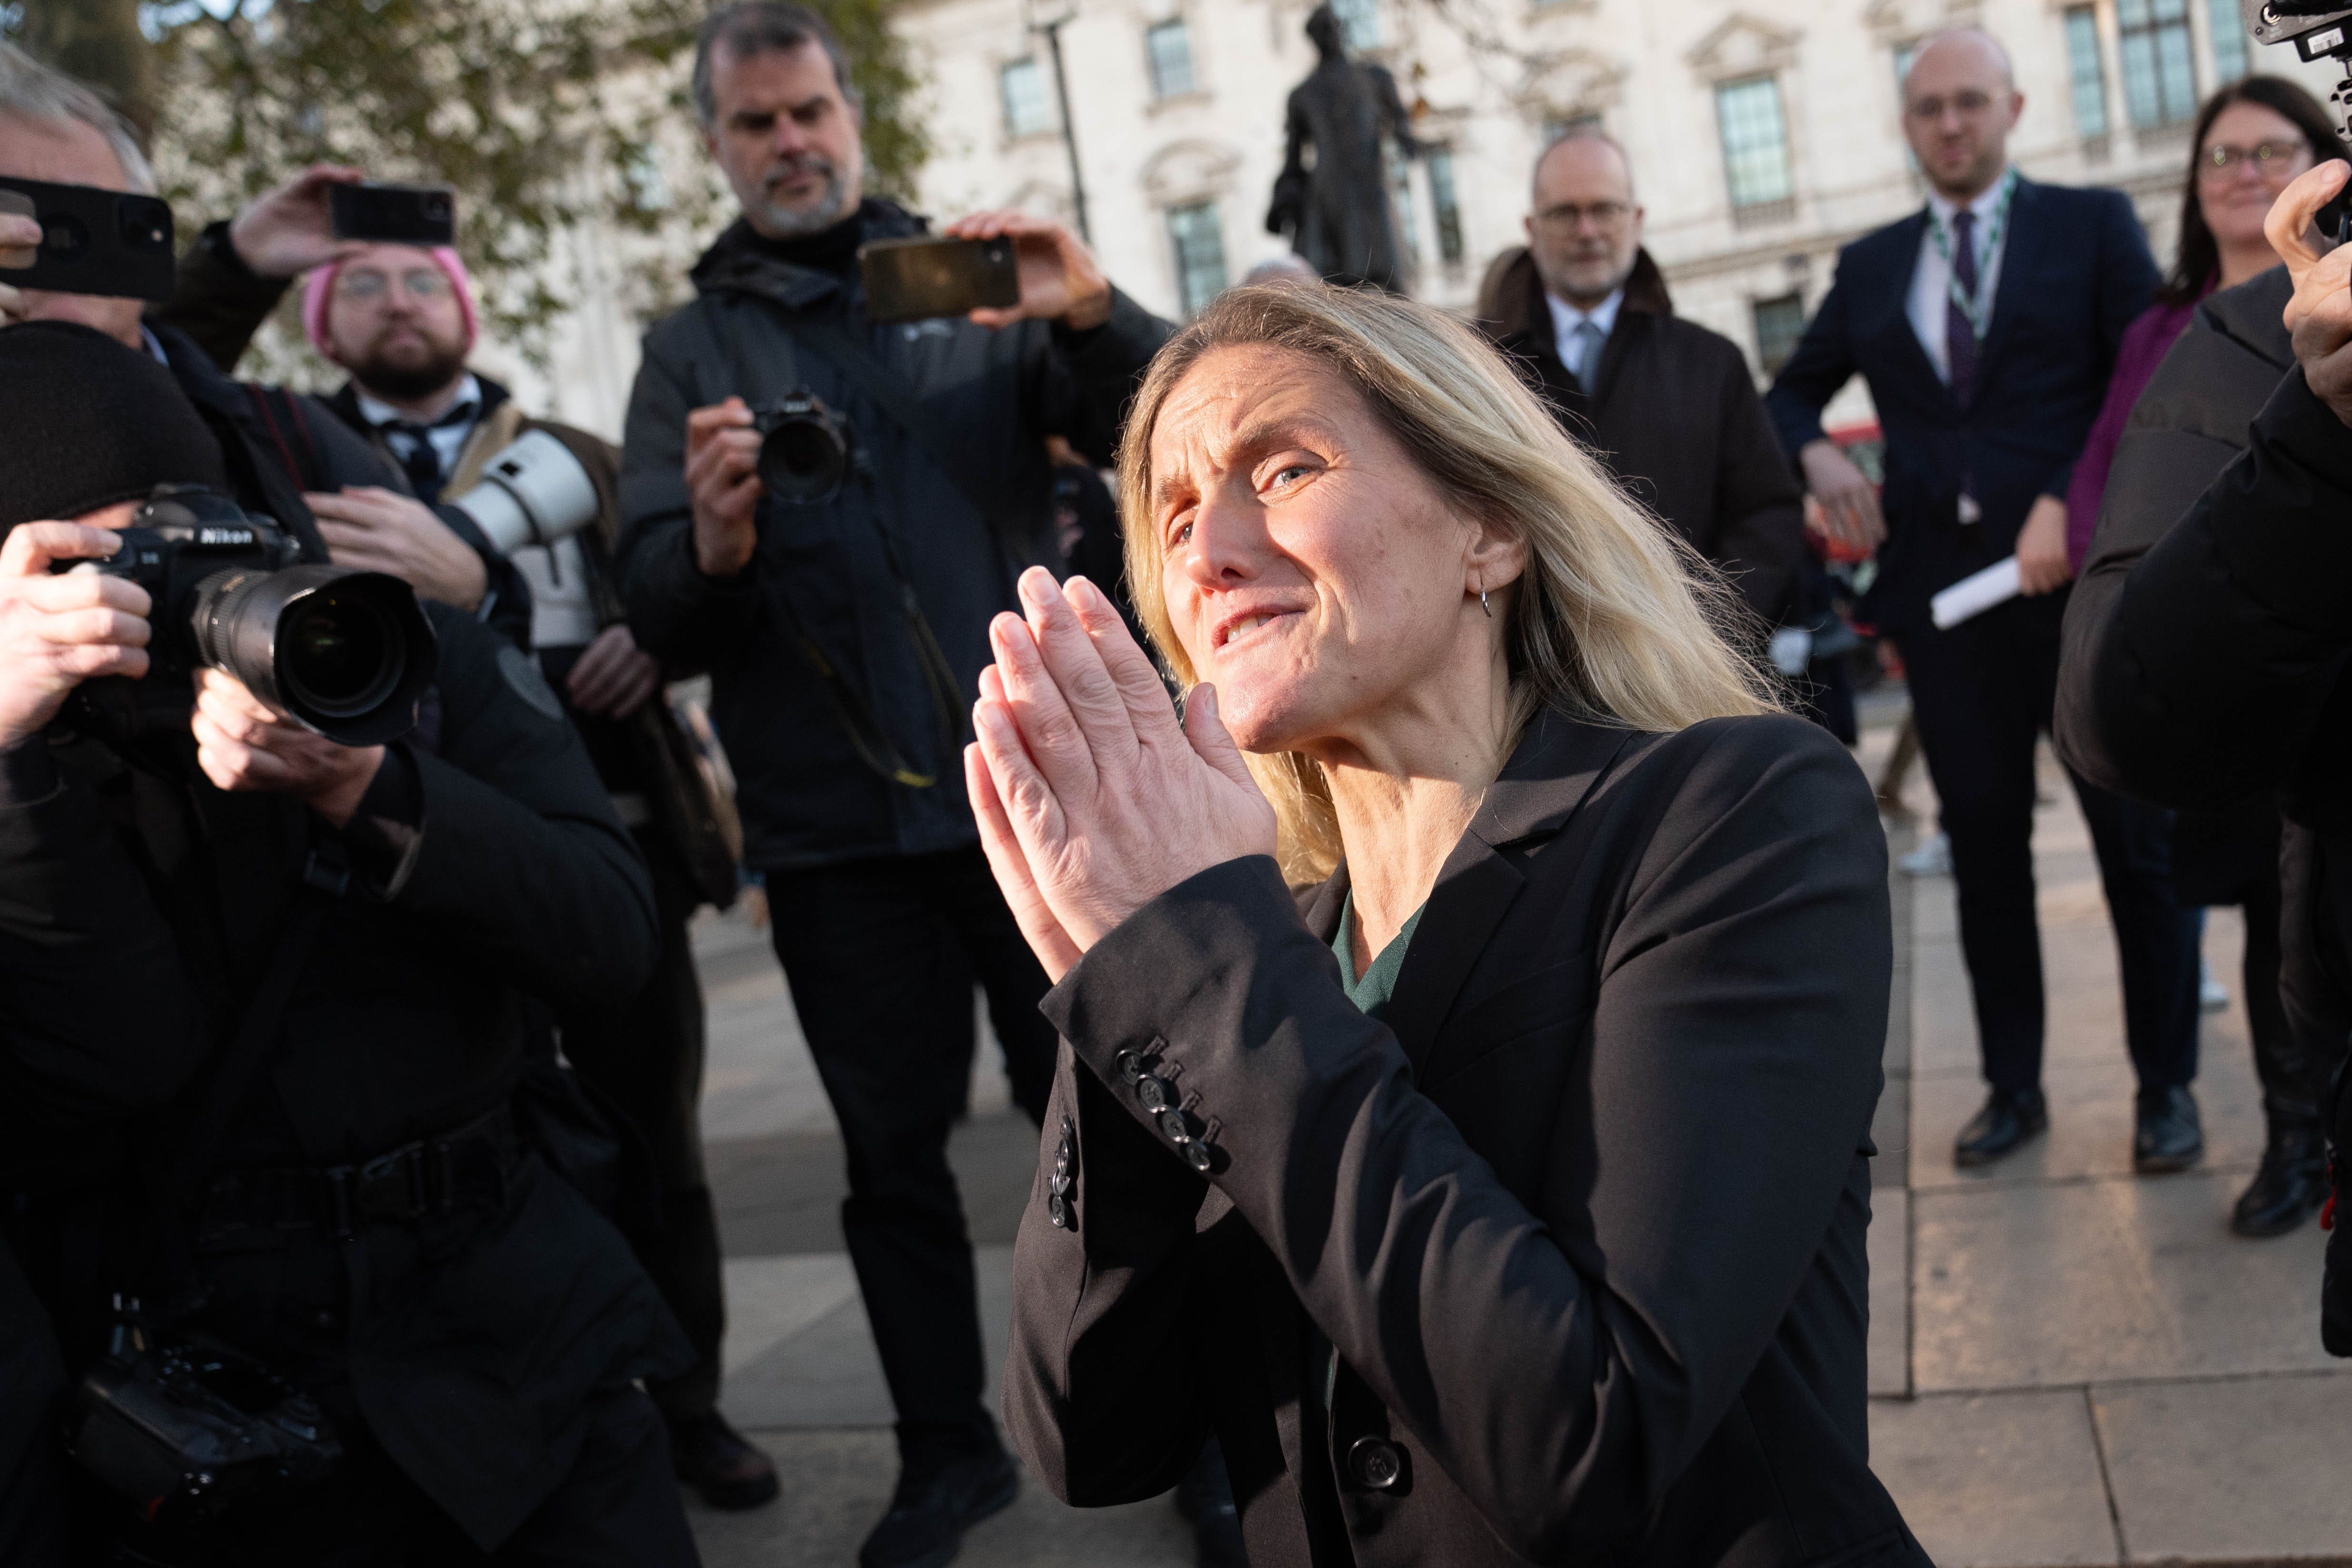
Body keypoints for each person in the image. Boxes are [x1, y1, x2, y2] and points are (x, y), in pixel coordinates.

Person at [971, 283, 1923, 1565]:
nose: (1206, 553)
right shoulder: (1259, 938)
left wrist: (1201, 979)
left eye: (1285, 468)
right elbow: (1093, 1440)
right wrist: (1120, 980)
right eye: (1177, 513)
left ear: (1486, 525)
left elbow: (1591, 1433)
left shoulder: (1735, 812)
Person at [614, 4, 1171, 1562]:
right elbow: (652, 611)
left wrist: (1085, 311)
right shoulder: (687, 351)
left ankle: (1177, 1419)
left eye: (806, 114)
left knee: (1131, 1119)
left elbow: (1161, 433)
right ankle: (947, 1451)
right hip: (839, 837)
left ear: (852, 122)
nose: (787, 144)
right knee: (888, 1167)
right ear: (717, 148)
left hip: (1034, 799)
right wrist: (712, 544)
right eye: (753, 125)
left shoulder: (975, 289)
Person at [0, 320, 697, 1562]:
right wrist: (13, 761)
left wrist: (370, 784)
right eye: (116, 564)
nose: (173, 594)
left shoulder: (381, 642)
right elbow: (115, 1067)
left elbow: (611, 938)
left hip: (519, 1323)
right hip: (236, 1392)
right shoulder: (30, 756)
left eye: (189, 535)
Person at [148, 189, 766, 1502]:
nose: (396, 301)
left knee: (655, 1134)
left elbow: (670, 584)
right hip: (394, 845)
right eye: (360, 284)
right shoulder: (282, 451)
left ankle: (688, 1399)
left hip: (605, 833)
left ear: (463, 303)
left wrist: (643, 638)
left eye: (421, 278)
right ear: (324, 322)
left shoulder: (570, 453)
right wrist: (246, 255)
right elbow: (135, 359)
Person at [1766, 27, 2198, 1172]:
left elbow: (2146, 377)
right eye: (1928, 110)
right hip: (1940, 607)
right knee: (1984, 849)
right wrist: (1813, 452)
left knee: (2132, 848)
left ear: (2010, 105)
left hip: (2081, 595)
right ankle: (2012, 1086)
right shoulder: (1867, 267)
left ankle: (2166, 1089)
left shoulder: (2090, 226)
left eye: (1968, 103)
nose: (1949, 125)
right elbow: (1788, 393)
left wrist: (2073, 494)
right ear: (1907, 126)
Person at [2057, 78, 2345, 1237]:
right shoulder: (2182, 328)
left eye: (2263, 149)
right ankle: (2281, 1125)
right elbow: (2112, 474)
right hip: (2221, 642)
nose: (2238, 173)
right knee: (2256, 910)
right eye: (2217, 155)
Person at [0, 44, 534, 651]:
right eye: (6, 218)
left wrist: (475, 589)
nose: (32, 246)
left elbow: (475, 706)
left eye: (78, 227)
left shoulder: (288, 438)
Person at [1476, 129, 1805, 629]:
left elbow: (1768, 516)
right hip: (1533, 682)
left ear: (1636, 220)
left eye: (1604, 209)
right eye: (1565, 213)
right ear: (1531, 228)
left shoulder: (1712, 365)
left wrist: (1707, 632)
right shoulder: (1479, 371)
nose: (1587, 231)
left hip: (1689, 672)